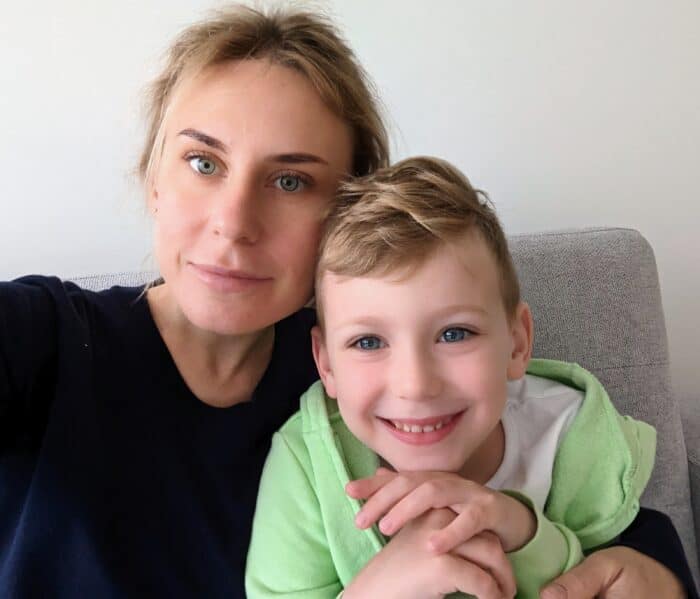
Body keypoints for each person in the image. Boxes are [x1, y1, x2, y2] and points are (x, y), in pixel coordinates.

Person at [0, 5, 694, 599]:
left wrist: (656, 570)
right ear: (154, 179)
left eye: (292, 181)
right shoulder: (46, 341)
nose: (234, 221)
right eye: (203, 162)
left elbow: (606, 507)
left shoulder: (373, 362)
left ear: (344, 222)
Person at [246, 156, 697, 599]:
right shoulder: (307, 466)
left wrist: (524, 535)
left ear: (517, 344)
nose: (415, 385)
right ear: (326, 365)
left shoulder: (571, 438)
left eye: (454, 334)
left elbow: (613, 573)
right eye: (368, 342)